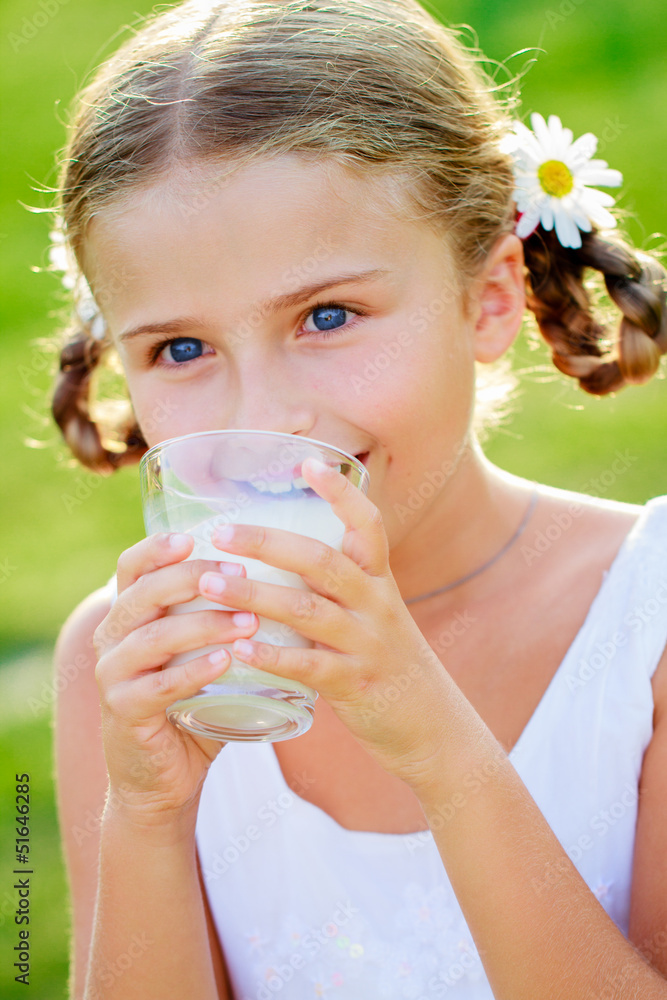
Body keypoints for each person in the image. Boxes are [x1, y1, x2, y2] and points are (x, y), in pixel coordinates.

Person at [51, 1, 667, 998]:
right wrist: (147, 818)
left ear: (489, 299)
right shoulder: (125, 666)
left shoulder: (647, 625)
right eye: (182, 348)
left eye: (328, 316)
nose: (263, 416)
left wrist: (436, 746)